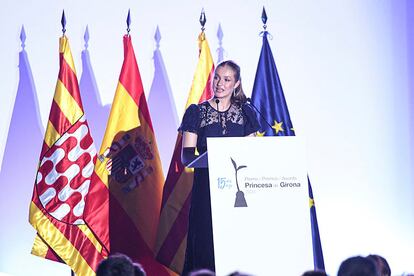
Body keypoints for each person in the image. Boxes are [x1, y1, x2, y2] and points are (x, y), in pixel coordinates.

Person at [179, 60, 260, 275]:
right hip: (206, 190)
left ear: (236, 84)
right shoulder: (197, 112)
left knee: (237, 244)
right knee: (206, 245)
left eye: (226, 80)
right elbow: (187, 157)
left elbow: (252, 155)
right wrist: (218, 157)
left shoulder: (246, 114)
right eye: (217, 77)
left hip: (237, 191)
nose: (220, 83)